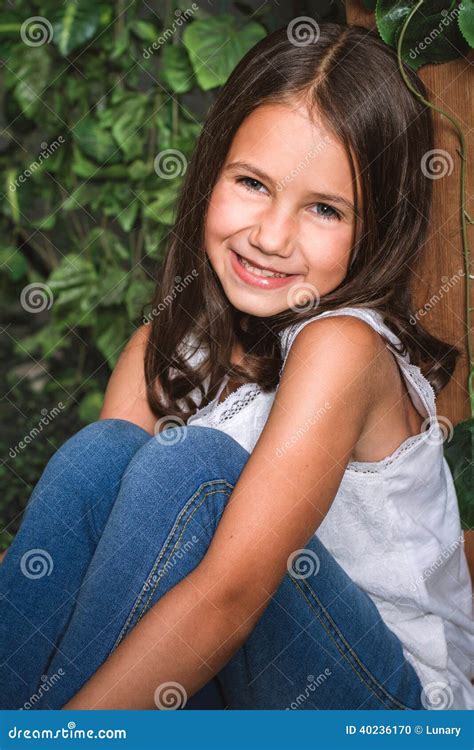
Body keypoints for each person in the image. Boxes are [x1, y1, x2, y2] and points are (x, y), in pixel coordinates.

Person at [0, 22, 472, 711]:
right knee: (102, 456)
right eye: (252, 183)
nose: (271, 236)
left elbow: (230, 596)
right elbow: (109, 593)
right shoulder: (161, 348)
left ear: (378, 230)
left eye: (324, 209)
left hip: (394, 708)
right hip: (220, 684)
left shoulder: (344, 347)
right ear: (210, 171)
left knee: (196, 470)